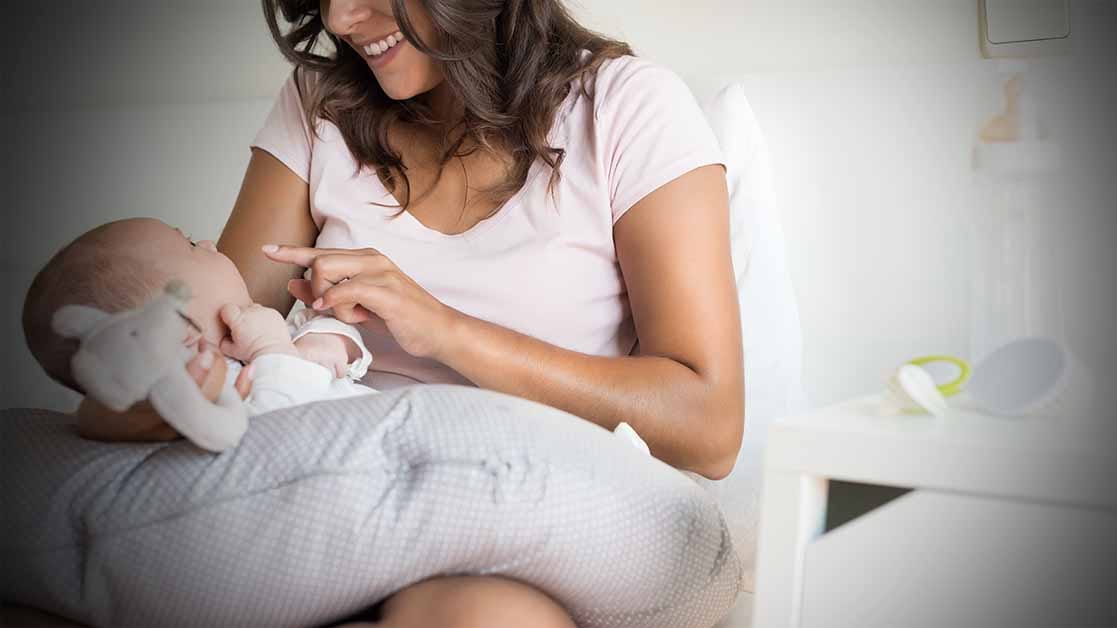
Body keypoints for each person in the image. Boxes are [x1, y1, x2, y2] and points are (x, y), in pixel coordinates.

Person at [94, 0, 745, 625]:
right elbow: (204, 332)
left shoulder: (627, 108)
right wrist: (132, 393)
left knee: (481, 616)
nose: (339, 17)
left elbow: (709, 427)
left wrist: (444, 330)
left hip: (533, 522)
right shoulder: (322, 105)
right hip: (336, 514)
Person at [22, 218, 376, 433]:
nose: (209, 243)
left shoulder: (265, 331)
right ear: (174, 325)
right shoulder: (210, 390)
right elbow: (280, 429)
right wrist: (273, 351)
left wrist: (325, 338)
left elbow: (338, 349)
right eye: (191, 245)